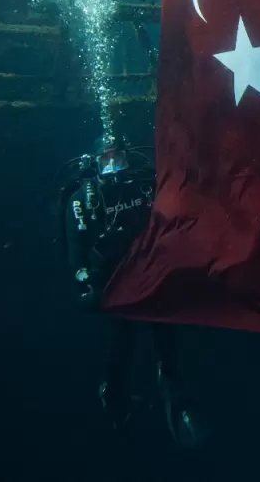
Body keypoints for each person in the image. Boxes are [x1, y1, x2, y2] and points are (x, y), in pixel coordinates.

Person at [55, 138, 203, 447]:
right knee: (122, 342)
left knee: (166, 338)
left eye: (118, 158)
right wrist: (86, 282)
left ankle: (176, 399)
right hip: (111, 281)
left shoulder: (143, 185)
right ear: (95, 164)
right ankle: (116, 396)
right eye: (106, 160)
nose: (113, 166)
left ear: (127, 158)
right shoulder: (83, 201)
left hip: (148, 275)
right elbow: (76, 250)